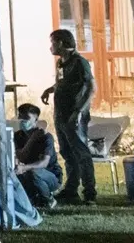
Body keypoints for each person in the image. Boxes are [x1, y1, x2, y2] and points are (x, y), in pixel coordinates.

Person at [42, 28, 98, 205]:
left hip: (75, 113)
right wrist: (50, 89)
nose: (50, 47)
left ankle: (90, 192)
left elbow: (90, 87)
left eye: (52, 42)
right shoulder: (61, 63)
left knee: (81, 152)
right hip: (60, 112)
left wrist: (79, 111)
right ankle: (71, 189)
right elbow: (62, 82)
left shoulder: (80, 63)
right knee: (67, 151)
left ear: (61, 42)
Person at [13, 103, 62, 209]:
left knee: (33, 172)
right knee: (14, 175)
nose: (22, 120)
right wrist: (31, 140)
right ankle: (34, 198)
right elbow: (21, 157)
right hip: (29, 172)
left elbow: (44, 163)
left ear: (35, 120)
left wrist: (24, 168)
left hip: (50, 175)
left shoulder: (46, 137)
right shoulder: (18, 136)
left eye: (26, 118)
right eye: (20, 117)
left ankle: (48, 199)